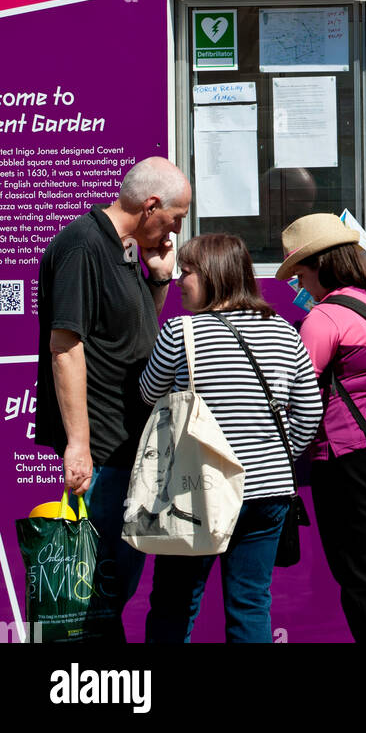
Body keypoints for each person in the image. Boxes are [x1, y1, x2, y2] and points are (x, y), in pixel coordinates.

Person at [35, 156, 192, 638]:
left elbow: (134, 333)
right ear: (150, 207)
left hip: (130, 447)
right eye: (176, 218)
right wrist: (78, 444)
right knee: (96, 597)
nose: (176, 230)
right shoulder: (83, 245)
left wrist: (160, 280)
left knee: (111, 590)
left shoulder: (125, 249)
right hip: (103, 452)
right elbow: (65, 346)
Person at [141, 234, 322, 643]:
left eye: (186, 273)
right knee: (251, 603)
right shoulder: (283, 332)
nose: (179, 282)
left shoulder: (180, 333)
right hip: (269, 492)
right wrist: (273, 457)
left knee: (176, 601)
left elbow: (148, 394)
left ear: (212, 276)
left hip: (196, 490)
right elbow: (309, 411)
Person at [279, 213, 366, 643]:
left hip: (343, 460)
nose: (300, 287)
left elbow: (294, 391)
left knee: (358, 574)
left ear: (322, 264)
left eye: (301, 275)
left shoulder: (324, 319)